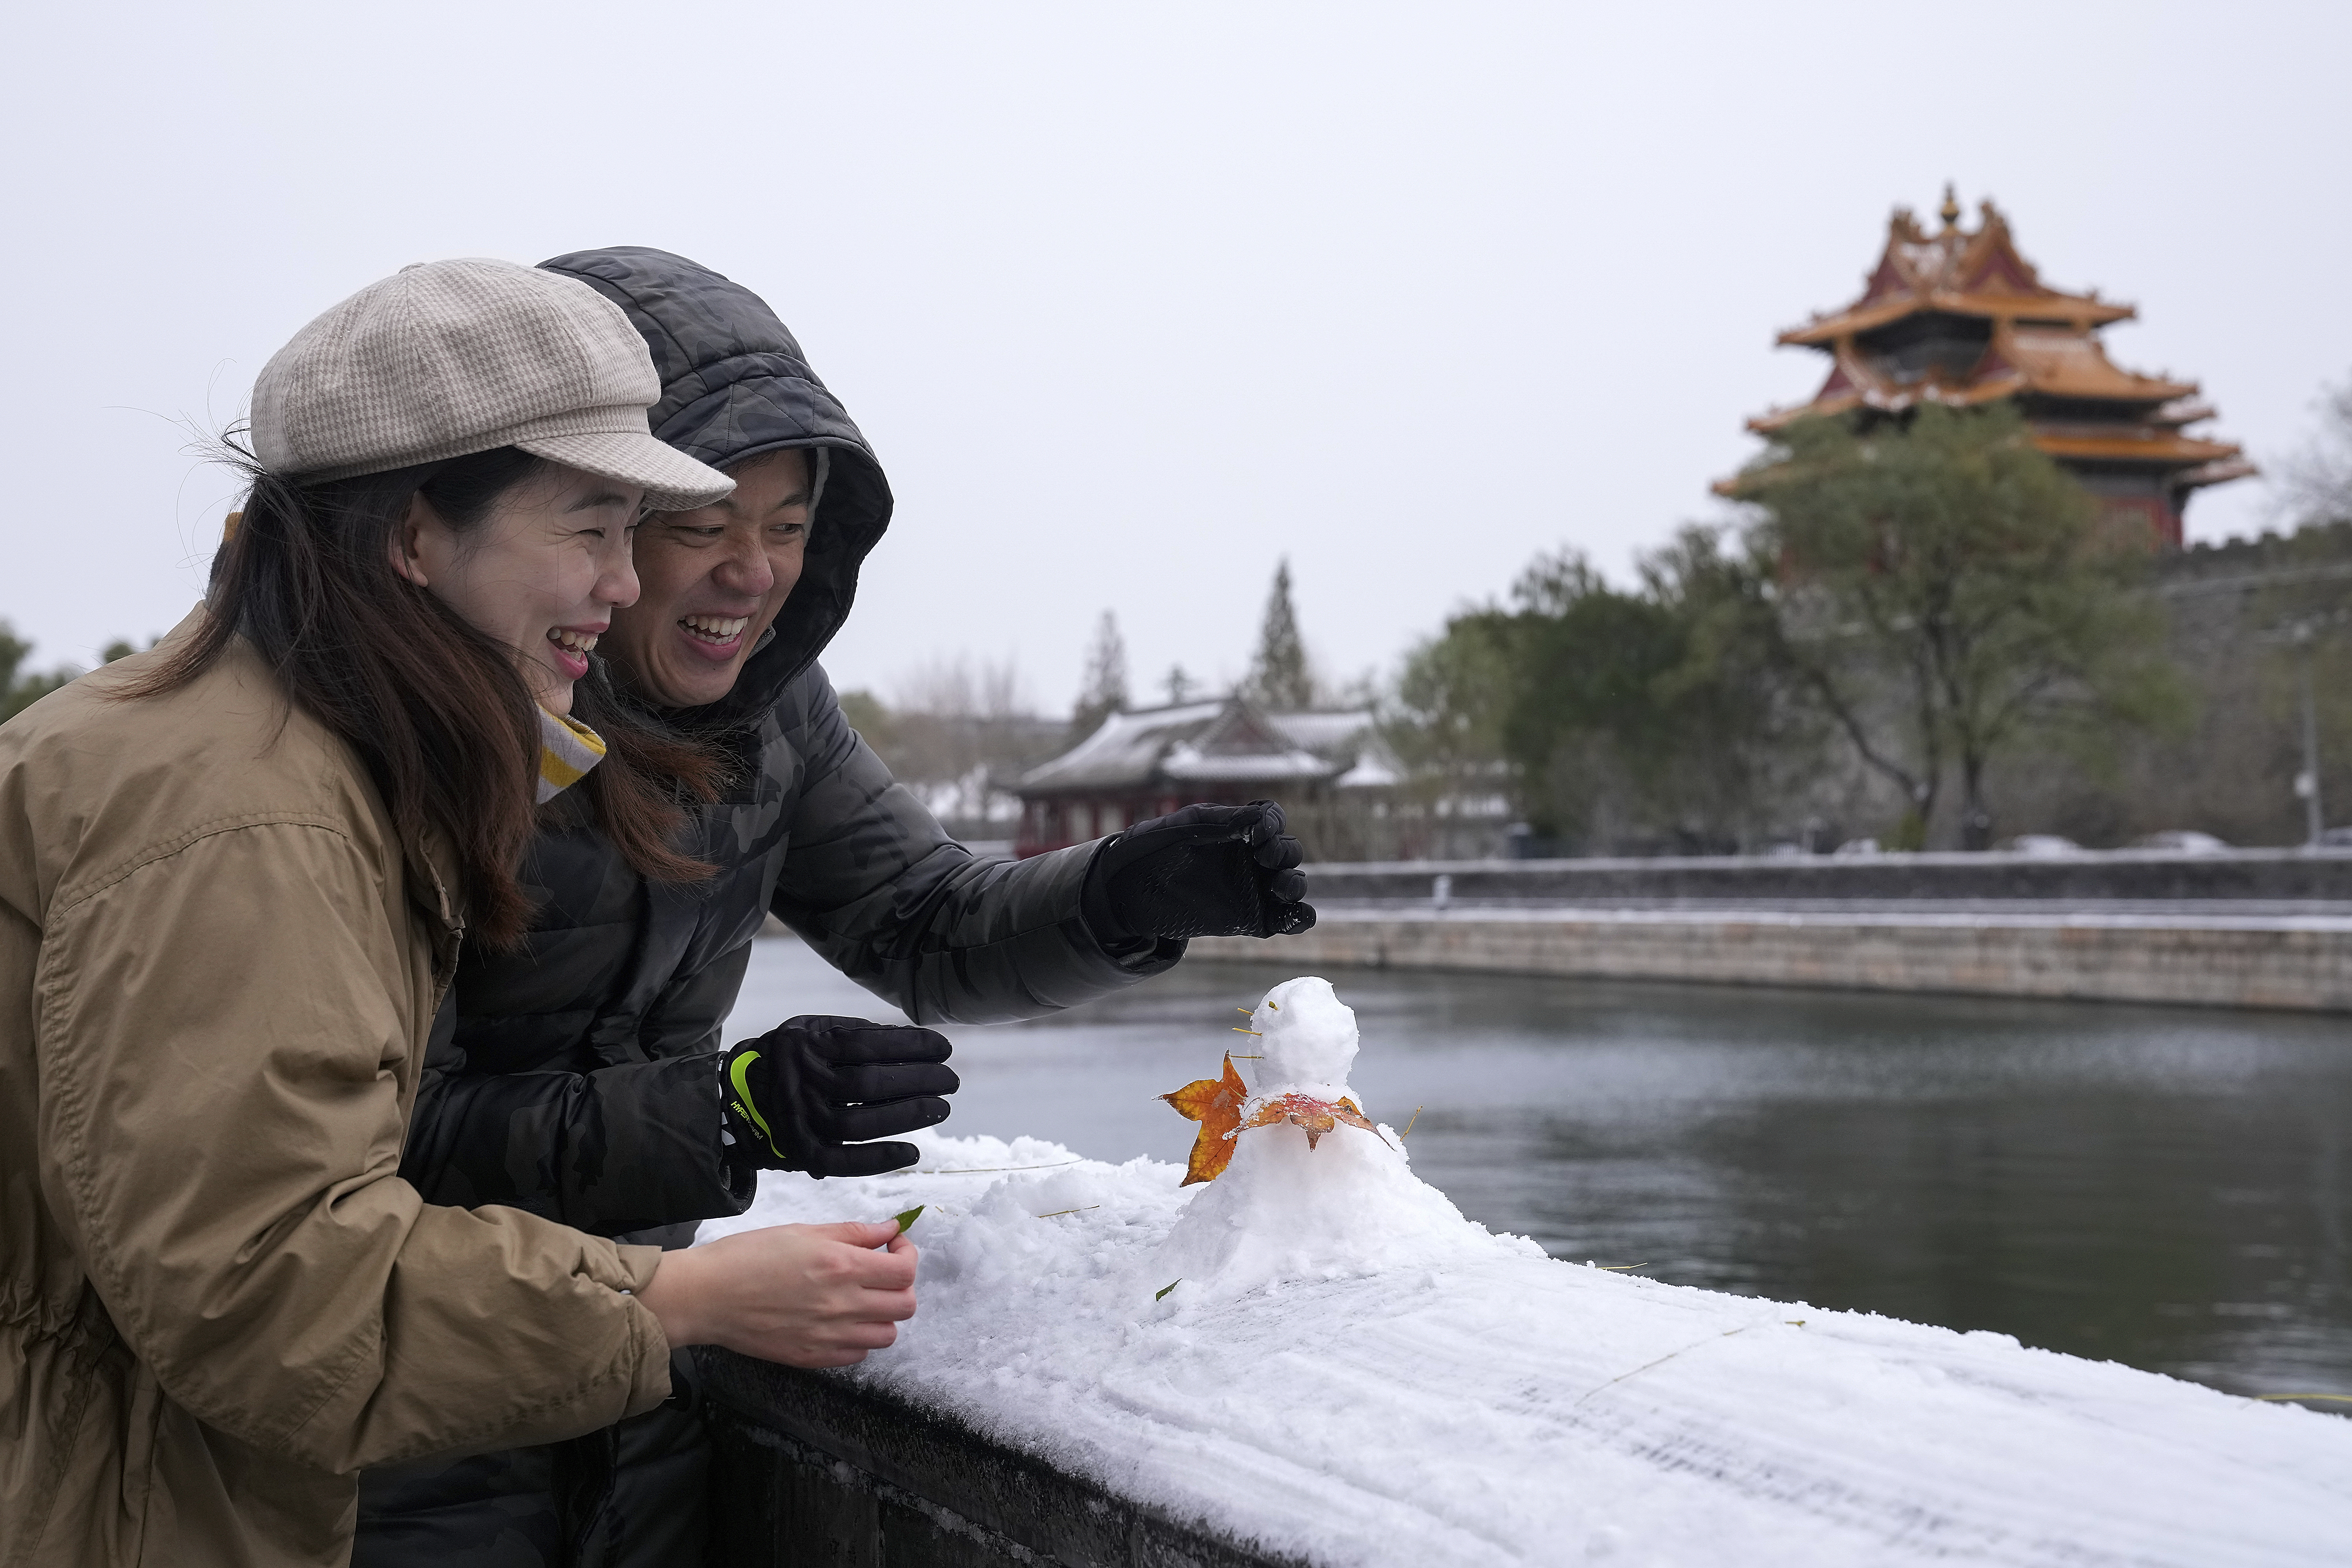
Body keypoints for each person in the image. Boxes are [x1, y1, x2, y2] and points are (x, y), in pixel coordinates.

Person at [355, 247, 1318, 1566]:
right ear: (595, 520)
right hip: (392, 1428)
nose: (754, 573)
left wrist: (1115, 893)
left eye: (790, 527)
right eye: (704, 522)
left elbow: (925, 922)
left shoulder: (774, 713)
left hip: (637, 1402)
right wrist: (722, 1110)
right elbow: (370, 1138)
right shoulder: (403, 738)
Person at [0, 258, 925, 1568]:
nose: (623, 587)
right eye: (591, 527)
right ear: (417, 534)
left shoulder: (281, 746)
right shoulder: (252, 815)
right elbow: (268, 1292)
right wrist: (678, 1297)